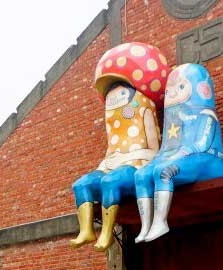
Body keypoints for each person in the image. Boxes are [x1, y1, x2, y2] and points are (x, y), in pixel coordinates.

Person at [70, 42, 169, 251]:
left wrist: (130, 159)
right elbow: (111, 149)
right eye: (110, 96)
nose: (114, 99)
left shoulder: (144, 111)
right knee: (81, 184)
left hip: (137, 165)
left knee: (110, 181)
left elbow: (154, 151)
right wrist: (105, 164)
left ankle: (106, 234)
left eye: (120, 93)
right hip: (112, 165)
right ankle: (86, 230)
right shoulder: (112, 122)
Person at [134, 63, 223, 243]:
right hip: (180, 155)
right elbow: (167, 148)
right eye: (169, 90)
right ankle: (145, 225)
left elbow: (202, 144)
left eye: (180, 87)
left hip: (209, 158)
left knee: (163, 171)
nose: (173, 93)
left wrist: (182, 153)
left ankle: (160, 222)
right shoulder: (173, 119)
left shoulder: (205, 114)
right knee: (141, 175)